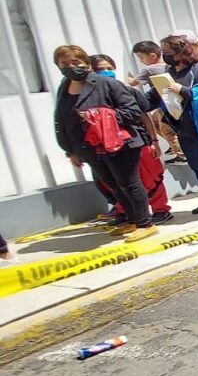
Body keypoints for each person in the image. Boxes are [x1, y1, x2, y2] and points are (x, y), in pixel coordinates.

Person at [53, 45, 158, 242]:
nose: (70, 67)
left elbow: (132, 111)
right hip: (89, 146)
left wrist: (99, 116)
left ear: (86, 63)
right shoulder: (64, 87)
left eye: (76, 62)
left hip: (120, 144)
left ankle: (145, 223)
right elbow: (61, 119)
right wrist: (70, 150)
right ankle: (132, 220)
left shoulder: (106, 84)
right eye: (64, 64)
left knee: (129, 183)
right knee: (114, 185)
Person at [90, 54, 172, 225]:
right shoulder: (90, 97)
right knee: (116, 182)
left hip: (137, 141)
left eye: (109, 68)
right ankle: (124, 211)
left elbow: (144, 115)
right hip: (107, 146)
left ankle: (160, 209)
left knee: (151, 177)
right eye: (100, 69)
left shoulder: (128, 91)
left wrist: (154, 141)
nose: (106, 72)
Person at [155, 32, 198, 214]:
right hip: (183, 127)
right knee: (196, 164)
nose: (165, 55)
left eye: (168, 51)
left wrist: (184, 90)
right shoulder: (169, 73)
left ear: (182, 51)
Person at [130, 40, 186, 164]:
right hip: (172, 103)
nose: (141, 61)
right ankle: (175, 148)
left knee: (167, 130)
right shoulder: (168, 67)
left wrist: (128, 76)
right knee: (156, 124)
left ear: (152, 56)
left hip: (164, 105)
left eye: (141, 57)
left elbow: (133, 82)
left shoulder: (149, 69)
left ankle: (182, 154)